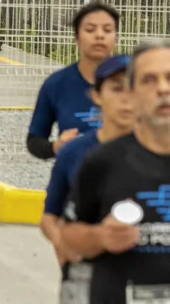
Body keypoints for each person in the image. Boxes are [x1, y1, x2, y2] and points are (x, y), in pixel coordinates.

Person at [60, 39, 170, 304]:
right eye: (149, 80)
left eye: (169, 77)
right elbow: (70, 237)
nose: (163, 88)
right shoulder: (102, 161)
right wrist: (99, 237)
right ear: (132, 94)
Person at [40, 54, 132, 300]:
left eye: (134, 88)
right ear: (97, 95)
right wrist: (62, 243)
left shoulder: (160, 152)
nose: (126, 99)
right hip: (85, 277)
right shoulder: (75, 153)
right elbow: (50, 216)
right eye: (116, 88)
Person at [27, 2, 119, 160]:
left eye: (107, 30)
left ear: (116, 36)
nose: (99, 35)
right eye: (90, 29)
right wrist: (56, 146)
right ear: (77, 37)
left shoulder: (136, 82)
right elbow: (34, 140)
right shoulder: (56, 84)